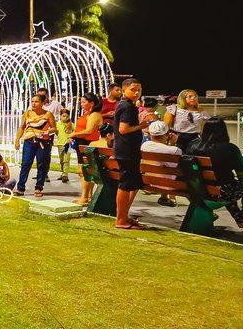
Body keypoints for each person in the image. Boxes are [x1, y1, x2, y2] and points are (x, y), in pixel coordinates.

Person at [186, 118, 243, 231]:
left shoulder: (194, 144)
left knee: (228, 186)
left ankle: (240, 220)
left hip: (195, 188)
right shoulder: (230, 148)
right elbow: (242, 176)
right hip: (220, 191)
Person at [113, 78, 151, 229]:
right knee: (125, 184)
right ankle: (121, 220)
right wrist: (141, 126)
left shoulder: (126, 105)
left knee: (130, 184)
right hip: (127, 151)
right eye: (133, 89)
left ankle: (124, 216)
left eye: (139, 90)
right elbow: (123, 129)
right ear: (123, 90)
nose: (136, 93)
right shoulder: (127, 107)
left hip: (126, 150)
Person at [13, 94, 56, 197]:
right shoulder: (27, 114)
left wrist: (48, 131)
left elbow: (54, 128)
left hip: (43, 143)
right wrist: (17, 139)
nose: (33, 103)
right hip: (29, 142)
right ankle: (20, 188)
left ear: (42, 103)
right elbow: (22, 127)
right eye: (32, 101)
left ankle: (39, 188)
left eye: (36, 101)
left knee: (41, 165)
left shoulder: (48, 114)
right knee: (25, 164)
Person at [66, 94, 104, 205]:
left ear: (91, 103)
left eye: (83, 102)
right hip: (81, 144)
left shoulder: (94, 115)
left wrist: (74, 134)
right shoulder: (88, 114)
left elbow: (89, 131)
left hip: (87, 144)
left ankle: (84, 198)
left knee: (83, 172)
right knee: (84, 172)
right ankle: (88, 196)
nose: (81, 104)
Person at [141, 120, 182, 207]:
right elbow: (175, 167)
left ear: (150, 133)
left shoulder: (144, 145)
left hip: (149, 181)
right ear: (167, 134)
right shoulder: (174, 150)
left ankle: (164, 197)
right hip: (170, 185)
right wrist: (173, 144)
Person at [55, 110, 73, 181]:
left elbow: (75, 133)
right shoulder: (58, 124)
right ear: (60, 116)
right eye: (63, 116)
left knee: (66, 160)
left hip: (68, 144)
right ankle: (63, 173)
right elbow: (56, 133)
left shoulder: (71, 125)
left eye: (67, 116)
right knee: (61, 160)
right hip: (60, 144)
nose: (65, 118)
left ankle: (65, 174)